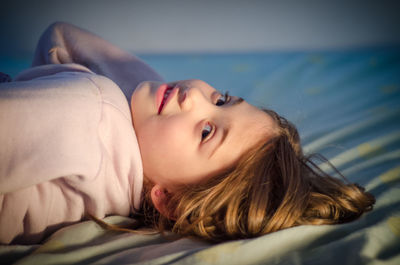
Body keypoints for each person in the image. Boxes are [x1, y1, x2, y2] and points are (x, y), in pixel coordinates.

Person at [0, 22, 375, 245]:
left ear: (171, 203)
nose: (194, 95)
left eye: (208, 132)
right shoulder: (122, 189)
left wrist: (125, 92)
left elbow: (60, 36)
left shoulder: (91, 109)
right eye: (223, 99)